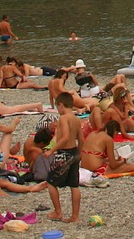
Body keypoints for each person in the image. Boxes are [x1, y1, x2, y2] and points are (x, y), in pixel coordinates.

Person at [46, 92, 82, 221]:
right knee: (74, 185)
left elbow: (65, 137)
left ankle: (58, 212)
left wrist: (52, 150)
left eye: (57, 107)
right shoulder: (77, 119)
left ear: (61, 105)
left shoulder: (64, 118)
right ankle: (75, 216)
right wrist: (80, 153)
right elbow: (81, 139)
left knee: (50, 182)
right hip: (75, 152)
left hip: (64, 153)